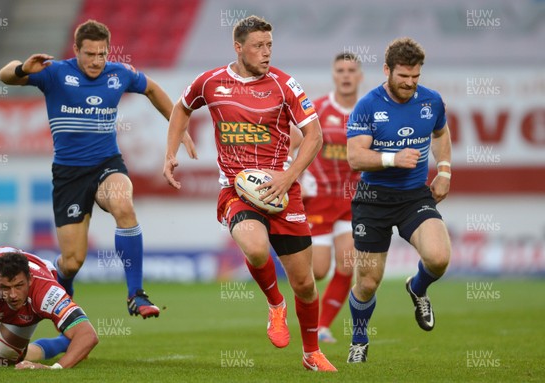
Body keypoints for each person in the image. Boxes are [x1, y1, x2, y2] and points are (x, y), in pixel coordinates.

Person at [163, 15, 336, 372]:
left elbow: (315, 136)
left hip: (282, 191)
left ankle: (311, 353)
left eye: (270, 45)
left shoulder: (285, 85)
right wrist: (171, 152)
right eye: (258, 46)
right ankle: (275, 305)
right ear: (238, 47)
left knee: (305, 283)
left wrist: (288, 177)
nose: (266, 52)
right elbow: (182, 106)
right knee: (255, 247)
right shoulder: (211, 82)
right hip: (237, 189)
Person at [0, 19, 196, 319]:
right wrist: (23, 69)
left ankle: (136, 295)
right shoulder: (54, 73)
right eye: (90, 54)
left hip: (107, 164)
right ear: (76, 50)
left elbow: (153, 89)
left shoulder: (119, 74)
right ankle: (62, 298)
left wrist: (177, 126)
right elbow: (4, 77)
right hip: (69, 174)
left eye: (102, 54)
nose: (97, 61)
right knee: (72, 262)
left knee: (123, 204)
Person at [345, 37, 452, 363]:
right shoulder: (368, 105)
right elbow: (355, 157)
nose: (409, 83)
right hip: (373, 198)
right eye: (403, 76)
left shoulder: (431, 101)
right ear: (387, 70)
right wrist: (392, 159)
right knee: (368, 282)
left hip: (413, 196)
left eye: (415, 77)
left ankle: (417, 288)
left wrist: (444, 170)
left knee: (438, 258)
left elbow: (440, 134)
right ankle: (360, 339)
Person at [298, 52, 363, 343]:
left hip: (353, 200)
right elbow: (292, 144)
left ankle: (322, 327)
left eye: (351, 70)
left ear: (359, 76)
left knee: (348, 263)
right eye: (341, 70)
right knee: (319, 270)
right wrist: (295, 178)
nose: (346, 75)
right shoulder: (319, 109)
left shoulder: (369, 110)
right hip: (320, 199)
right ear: (333, 75)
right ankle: (297, 307)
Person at [0, 246, 98, 369]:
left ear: (30, 280)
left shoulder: (46, 292)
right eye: (5, 287)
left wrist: (55, 368)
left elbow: (88, 335)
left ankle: (63, 342)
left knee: (0, 361)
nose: (13, 295)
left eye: (19, 286)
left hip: (31, 302)